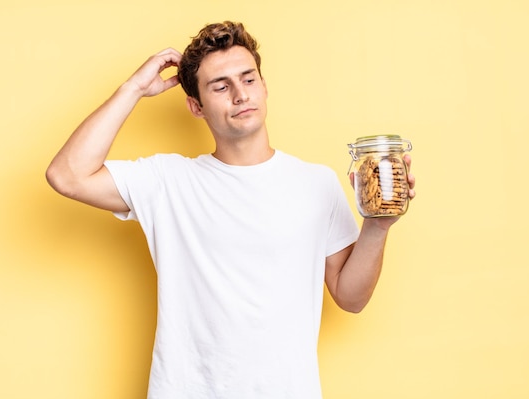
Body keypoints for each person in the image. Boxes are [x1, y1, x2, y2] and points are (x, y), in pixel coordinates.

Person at [46, 21, 415, 399]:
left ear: (264, 86)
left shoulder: (316, 183)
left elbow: (351, 298)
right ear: (196, 106)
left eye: (248, 79)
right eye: (221, 86)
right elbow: (67, 175)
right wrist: (133, 89)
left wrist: (378, 226)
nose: (240, 94)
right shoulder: (169, 181)